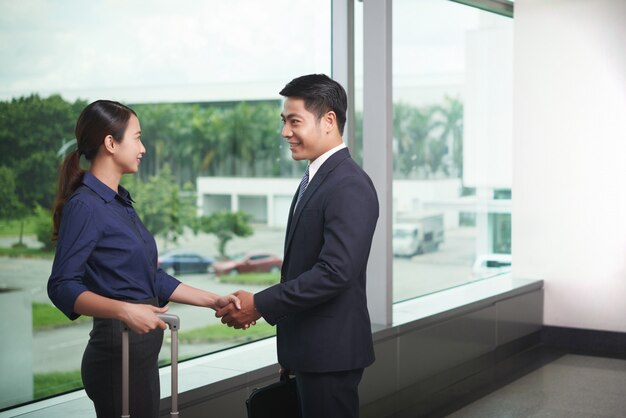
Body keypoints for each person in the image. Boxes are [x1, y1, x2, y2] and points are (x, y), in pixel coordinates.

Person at [47, 99, 241, 418]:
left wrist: (213, 300)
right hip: (116, 356)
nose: (143, 148)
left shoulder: (119, 202)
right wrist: (125, 310)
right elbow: (62, 286)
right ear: (111, 143)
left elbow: (151, 277)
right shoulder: (85, 206)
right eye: (137, 137)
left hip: (140, 356)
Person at [216, 74, 379, 418]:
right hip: (311, 352)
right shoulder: (315, 179)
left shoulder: (349, 185)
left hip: (330, 355)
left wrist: (259, 303)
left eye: (294, 121)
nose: (285, 132)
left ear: (329, 120)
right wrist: (292, 356)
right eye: (284, 121)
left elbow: (334, 272)